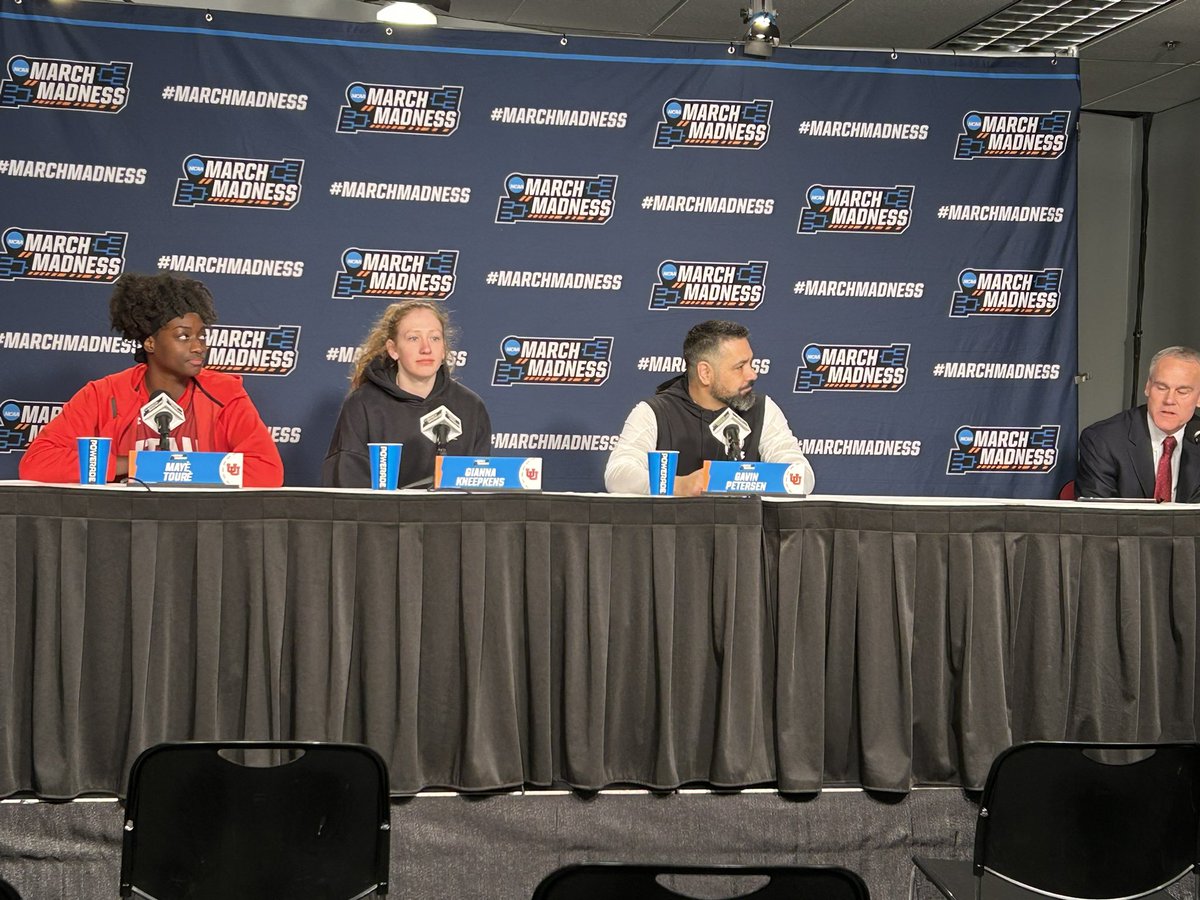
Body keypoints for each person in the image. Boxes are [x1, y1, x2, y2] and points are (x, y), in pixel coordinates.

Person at [19, 272, 284, 487]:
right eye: (183, 336)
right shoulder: (104, 394)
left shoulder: (225, 393)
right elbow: (38, 462)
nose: (198, 347)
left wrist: (173, 469)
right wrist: (133, 465)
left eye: (201, 336)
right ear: (150, 342)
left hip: (200, 529)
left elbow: (267, 470)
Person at [605, 319, 814, 496]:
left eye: (751, 363)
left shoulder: (762, 409)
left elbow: (802, 476)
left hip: (742, 538)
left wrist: (747, 479)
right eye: (740, 367)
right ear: (705, 373)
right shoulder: (654, 413)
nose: (752, 375)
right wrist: (678, 485)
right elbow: (617, 476)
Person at [322, 300, 491, 488]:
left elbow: (479, 490)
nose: (426, 348)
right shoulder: (363, 405)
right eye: (413, 338)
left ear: (443, 348)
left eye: (434, 338)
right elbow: (347, 487)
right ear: (393, 350)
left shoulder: (470, 407)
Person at [1076, 345, 1200, 501]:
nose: (1169, 400)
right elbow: (1099, 518)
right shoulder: (1103, 440)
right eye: (1161, 388)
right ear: (1148, 387)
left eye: (1182, 392)